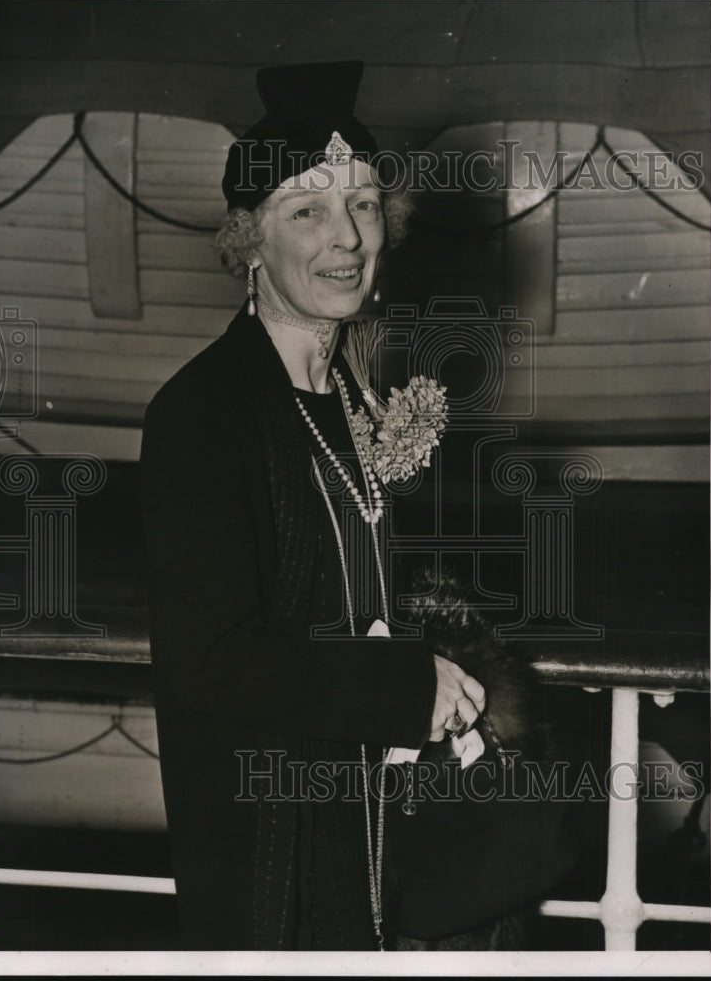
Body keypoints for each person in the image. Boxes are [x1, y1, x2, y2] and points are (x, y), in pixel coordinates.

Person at [139, 61, 488, 951]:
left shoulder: (355, 396)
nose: (348, 239)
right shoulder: (202, 412)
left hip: (374, 814)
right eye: (309, 212)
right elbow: (210, 663)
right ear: (249, 240)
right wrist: (406, 684)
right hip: (272, 838)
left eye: (365, 206)